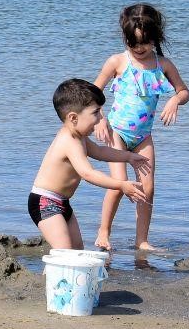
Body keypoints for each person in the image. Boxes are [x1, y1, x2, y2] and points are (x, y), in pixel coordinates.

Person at [92, 3, 189, 254]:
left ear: (155, 37)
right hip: (117, 133)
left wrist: (175, 100)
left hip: (143, 137)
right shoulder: (117, 62)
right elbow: (92, 94)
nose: (139, 48)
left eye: (144, 43)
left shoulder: (163, 65)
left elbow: (184, 91)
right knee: (119, 183)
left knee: (148, 188)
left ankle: (141, 240)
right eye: (133, 43)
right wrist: (99, 119)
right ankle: (104, 232)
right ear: (125, 39)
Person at [28, 78, 143, 251]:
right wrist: (120, 185)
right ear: (73, 118)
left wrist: (128, 156)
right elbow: (88, 173)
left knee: (77, 249)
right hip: (44, 202)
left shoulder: (79, 137)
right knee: (64, 251)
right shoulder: (69, 140)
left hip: (62, 202)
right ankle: (52, 269)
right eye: (95, 113)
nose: (99, 119)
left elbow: (100, 152)